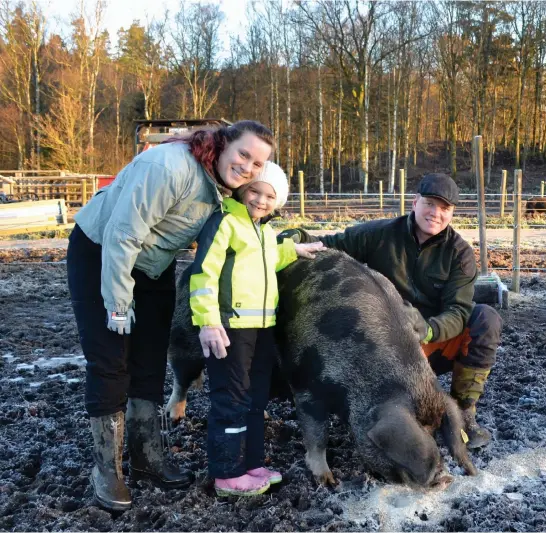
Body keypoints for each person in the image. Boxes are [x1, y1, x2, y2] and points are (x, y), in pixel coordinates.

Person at [67, 120, 275, 511]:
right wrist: (117, 303)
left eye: (258, 163)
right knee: (112, 360)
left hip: (154, 263)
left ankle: (147, 456)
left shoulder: (226, 189)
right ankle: (107, 470)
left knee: (149, 359)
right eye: (244, 154)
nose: (248, 167)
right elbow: (121, 235)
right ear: (224, 144)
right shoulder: (168, 167)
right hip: (102, 252)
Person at [281, 173, 502, 449]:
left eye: (444, 208)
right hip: (383, 348)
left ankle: (463, 413)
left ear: (452, 213)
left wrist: (429, 328)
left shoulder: (459, 253)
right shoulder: (380, 234)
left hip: (431, 340)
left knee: (486, 318)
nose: (435, 213)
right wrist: (297, 238)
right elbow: (330, 245)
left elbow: (458, 311)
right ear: (414, 202)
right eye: (430, 204)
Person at [189, 162, 324, 497]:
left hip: (262, 327)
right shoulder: (225, 223)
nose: (261, 200)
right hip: (229, 328)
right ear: (242, 190)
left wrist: (293, 249)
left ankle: (251, 465)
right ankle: (227, 474)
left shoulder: (263, 231)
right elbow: (203, 274)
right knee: (231, 399)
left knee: (255, 399)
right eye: (255, 191)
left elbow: (265, 260)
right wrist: (207, 320)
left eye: (269, 196)